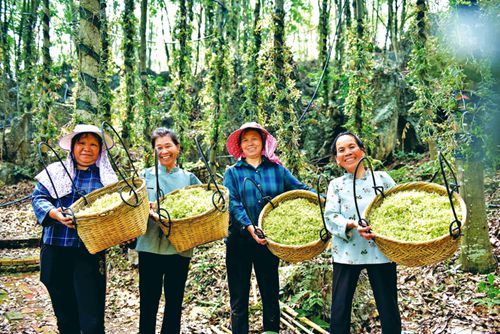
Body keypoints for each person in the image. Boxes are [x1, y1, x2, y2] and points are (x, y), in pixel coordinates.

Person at [223, 122, 312, 334]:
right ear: (240, 146)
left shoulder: (277, 170)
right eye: (245, 140)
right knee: (239, 298)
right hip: (239, 241)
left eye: (254, 138)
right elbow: (232, 202)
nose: (250, 143)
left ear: (263, 142)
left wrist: (324, 202)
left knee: (270, 294)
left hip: (268, 242)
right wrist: (249, 226)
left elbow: (300, 189)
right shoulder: (233, 172)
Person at [32, 124, 118, 334]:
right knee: (64, 312)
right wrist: (54, 213)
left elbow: (116, 209)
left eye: (93, 144)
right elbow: (39, 198)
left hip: (88, 252)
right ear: (72, 146)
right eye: (81, 143)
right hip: (56, 247)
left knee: (91, 316)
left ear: (100, 150)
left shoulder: (106, 179)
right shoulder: (54, 172)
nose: (86, 148)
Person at [324, 132, 401, 333]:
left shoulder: (382, 179)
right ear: (337, 160)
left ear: (362, 150)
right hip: (347, 253)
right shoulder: (336, 185)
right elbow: (330, 217)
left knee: (388, 306)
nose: (347, 153)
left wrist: (381, 229)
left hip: (381, 251)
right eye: (341, 150)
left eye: (352, 147)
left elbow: (397, 209)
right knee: (340, 308)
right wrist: (352, 224)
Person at [135, 127, 201, 334]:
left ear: (178, 148)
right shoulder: (144, 176)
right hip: (149, 246)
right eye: (158, 147)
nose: (164, 151)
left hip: (179, 248)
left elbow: (203, 203)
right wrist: (147, 207)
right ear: (153, 151)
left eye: (168, 146)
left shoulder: (188, 178)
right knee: (148, 300)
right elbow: (132, 206)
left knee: (174, 301)